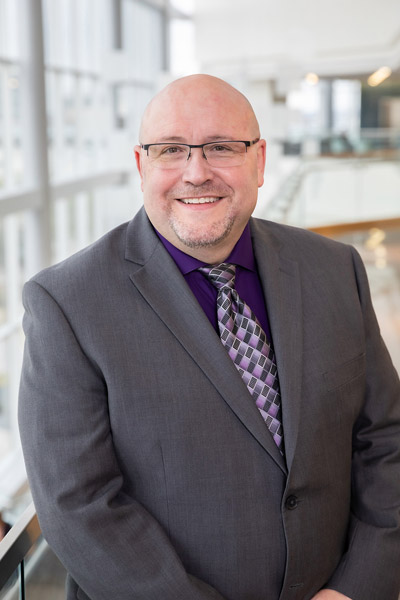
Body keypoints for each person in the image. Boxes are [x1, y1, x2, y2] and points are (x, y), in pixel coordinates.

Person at [18, 74, 400, 600]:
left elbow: (385, 441)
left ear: (260, 161)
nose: (196, 173)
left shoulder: (335, 269)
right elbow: (79, 505)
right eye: (171, 150)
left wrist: (356, 588)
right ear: (141, 165)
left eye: (221, 147)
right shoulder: (66, 303)